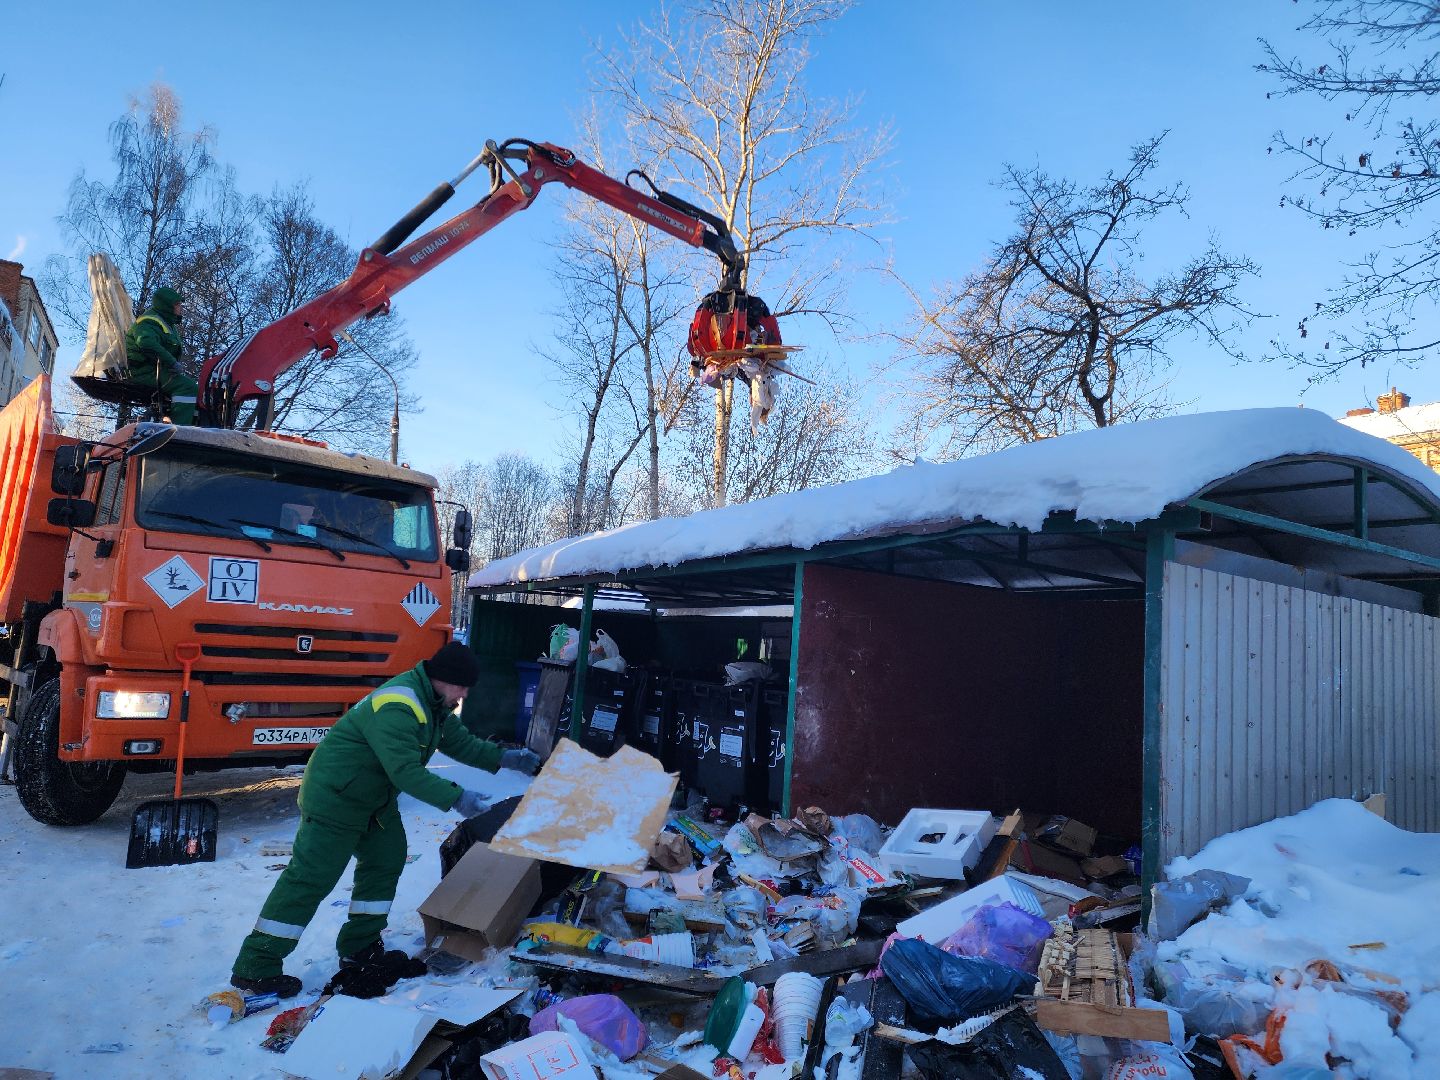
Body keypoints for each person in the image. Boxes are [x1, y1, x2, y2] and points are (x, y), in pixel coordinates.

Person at [230, 641, 541, 998]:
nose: (466, 693)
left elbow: (462, 745)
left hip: (373, 800)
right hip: (336, 796)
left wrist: (508, 759)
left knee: (387, 859)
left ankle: (359, 946)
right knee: (310, 878)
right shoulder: (399, 705)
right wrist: (457, 798)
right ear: (442, 679)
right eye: (462, 686)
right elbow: (405, 771)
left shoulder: (436, 704)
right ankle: (256, 965)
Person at [124, 286, 198, 425]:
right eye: (177, 304)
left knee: (190, 387)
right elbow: (145, 342)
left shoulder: (167, 323)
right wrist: (171, 362)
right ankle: (180, 430)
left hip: (151, 370)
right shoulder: (149, 321)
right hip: (141, 371)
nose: (180, 307)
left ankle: (177, 422)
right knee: (187, 387)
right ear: (166, 305)